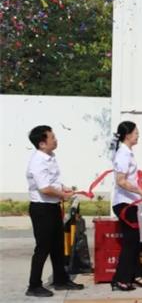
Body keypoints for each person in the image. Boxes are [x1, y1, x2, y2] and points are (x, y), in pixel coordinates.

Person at [25, 125, 85, 297]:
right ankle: (33, 285)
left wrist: (64, 188)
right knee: (43, 247)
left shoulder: (50, 157)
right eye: (52, 138)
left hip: (52, 207)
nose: (55, 140)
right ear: (42, 143)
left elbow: (53, 181)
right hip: (41, 208)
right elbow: (45, 188)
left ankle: (60, 279)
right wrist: (63, 195)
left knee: (57, 246)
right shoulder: (38, 161)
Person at [110, 121, 142, 291]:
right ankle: (120, 280)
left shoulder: (127, 153)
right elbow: (121, 181)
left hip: (129, 203)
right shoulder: (123, 154)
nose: (138, 135)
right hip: (124, 204)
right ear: (128, 135)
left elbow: (130, 174)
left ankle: (136, 276)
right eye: (136, 132)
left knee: (134, 242)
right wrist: (141, 192)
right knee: (130, 243)